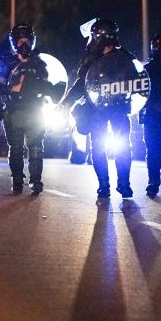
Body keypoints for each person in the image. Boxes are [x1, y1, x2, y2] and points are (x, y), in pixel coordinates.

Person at [60, 20, 140, 198]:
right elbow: (81, 83)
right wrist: (67, 102)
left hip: (119, 108)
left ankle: (124, 183)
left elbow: (139, 83)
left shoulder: (126, 58)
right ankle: (104, 185)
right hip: (96, 111)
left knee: (123, 148)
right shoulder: (91, 59)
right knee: (98, 148)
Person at [0, 23, 50, 195]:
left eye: (27, 40)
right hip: (13, 110)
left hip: (34, 109)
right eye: (20, 41)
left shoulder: (40, 62)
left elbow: (48, 85)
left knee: (35, 147)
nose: (24, 44)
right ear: (14, 42)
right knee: (16, 147)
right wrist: (14, 87)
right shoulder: (5, 62)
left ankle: (36, 181)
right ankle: (17, 180)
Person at [142, 33, 161, 198]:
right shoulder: (148, 70)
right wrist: (151, 103)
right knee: (152, 150)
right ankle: (153, 181)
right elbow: (140, 92)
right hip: (153, 115)